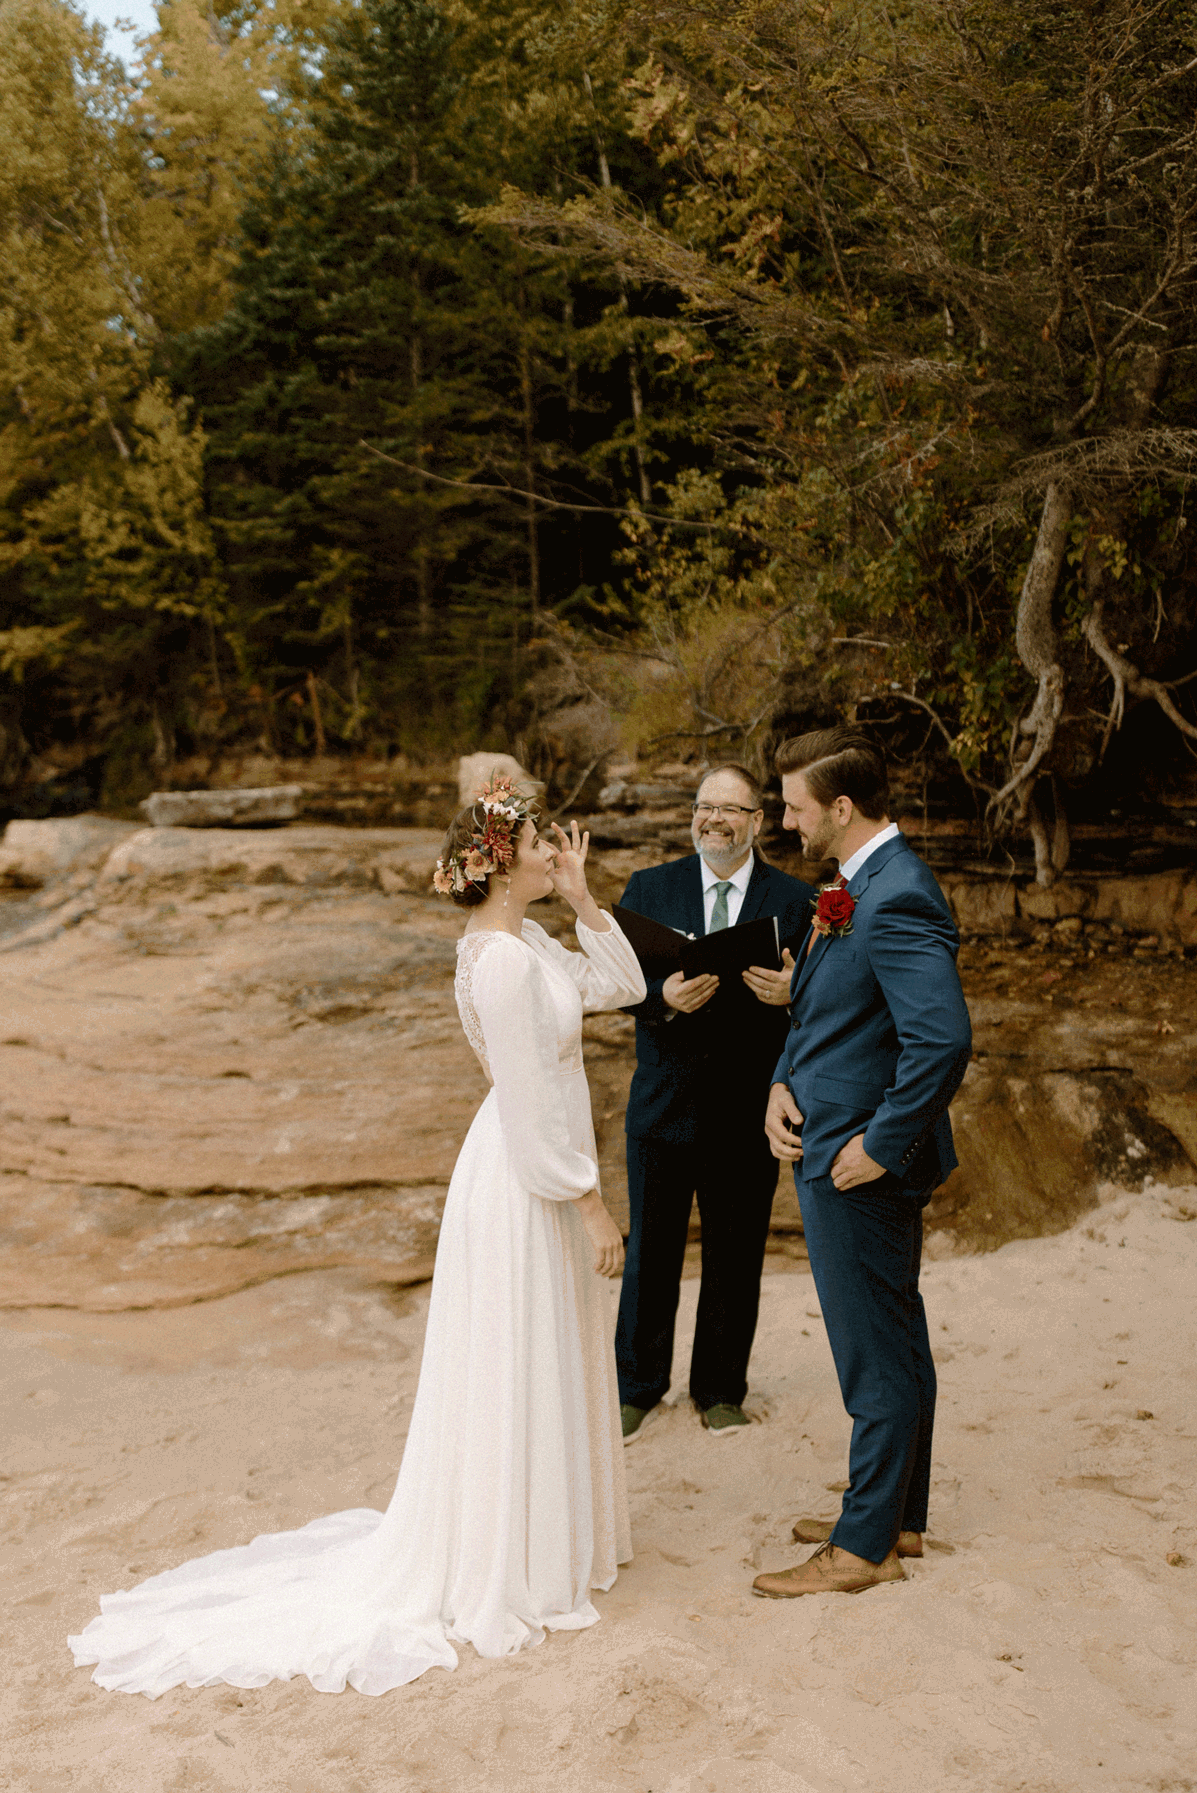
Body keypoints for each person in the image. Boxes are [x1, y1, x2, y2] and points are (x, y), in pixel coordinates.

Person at [69, 775, 646, 1697]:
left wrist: (581, 899)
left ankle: (545, 1541)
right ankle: (508, 1557)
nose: (554, 849)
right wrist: (586, 1199)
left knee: (544, 1347)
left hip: (544, 1159)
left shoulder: (529, 937)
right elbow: (528, 1099)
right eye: (542, 842)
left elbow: (622, 984)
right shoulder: (495, 961)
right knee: (512, 1353)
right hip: (524, 1175)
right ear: (500, 863)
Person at [754, 727, 971, 1599]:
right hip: (828, 1129)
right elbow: (825, 1012)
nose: (782, 816)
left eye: (793, 805)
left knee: (871, 1352)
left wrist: (878, 1146)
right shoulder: (852, 882)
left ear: (839, 808)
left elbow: (941, 1039)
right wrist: (779, 1079)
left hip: (857, 1162)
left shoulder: (896, 895)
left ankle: (861, 1547)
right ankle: (897, 1517)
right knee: (896, 1335)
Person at [615, 764, 813, 1441]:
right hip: (662, 1106)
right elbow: (615, 981)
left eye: (731, 809)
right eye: (704, 806)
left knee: (736, 1254)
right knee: (650, 1252)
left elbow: (826, 998)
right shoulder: (650, 887)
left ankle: (721, 1388)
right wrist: (658, 998)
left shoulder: (795, 899)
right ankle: (636, 1388)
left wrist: (793, 993)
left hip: (745, 1109)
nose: (714, 819)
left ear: (758, 821)